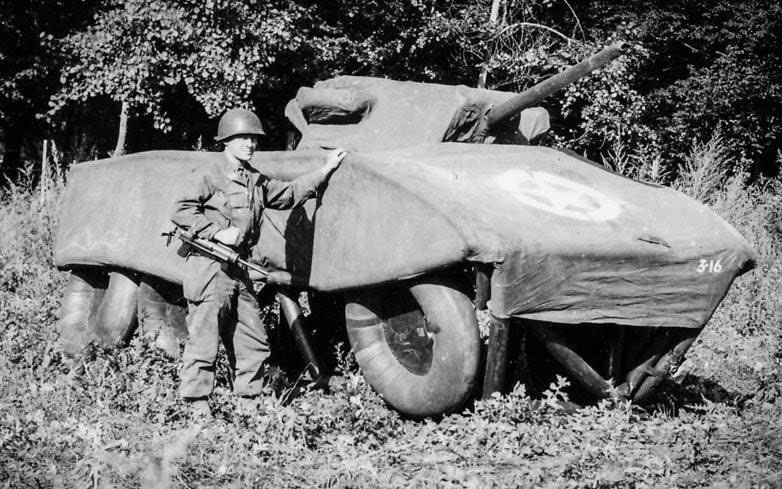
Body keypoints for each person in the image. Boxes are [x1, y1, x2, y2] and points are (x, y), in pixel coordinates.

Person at [171, 108, 347, 418]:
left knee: (252, 336)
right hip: (211, 267)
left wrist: (325, 169)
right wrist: (216, 232)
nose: (250, 144)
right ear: (226, 141)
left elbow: (289, 194)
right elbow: (181, 211)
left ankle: (248, 400)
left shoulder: (254, 178)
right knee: (205, 335)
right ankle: (196, 404)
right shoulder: (209, 173)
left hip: (242, 268)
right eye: (243, 138)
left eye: (253, 138)